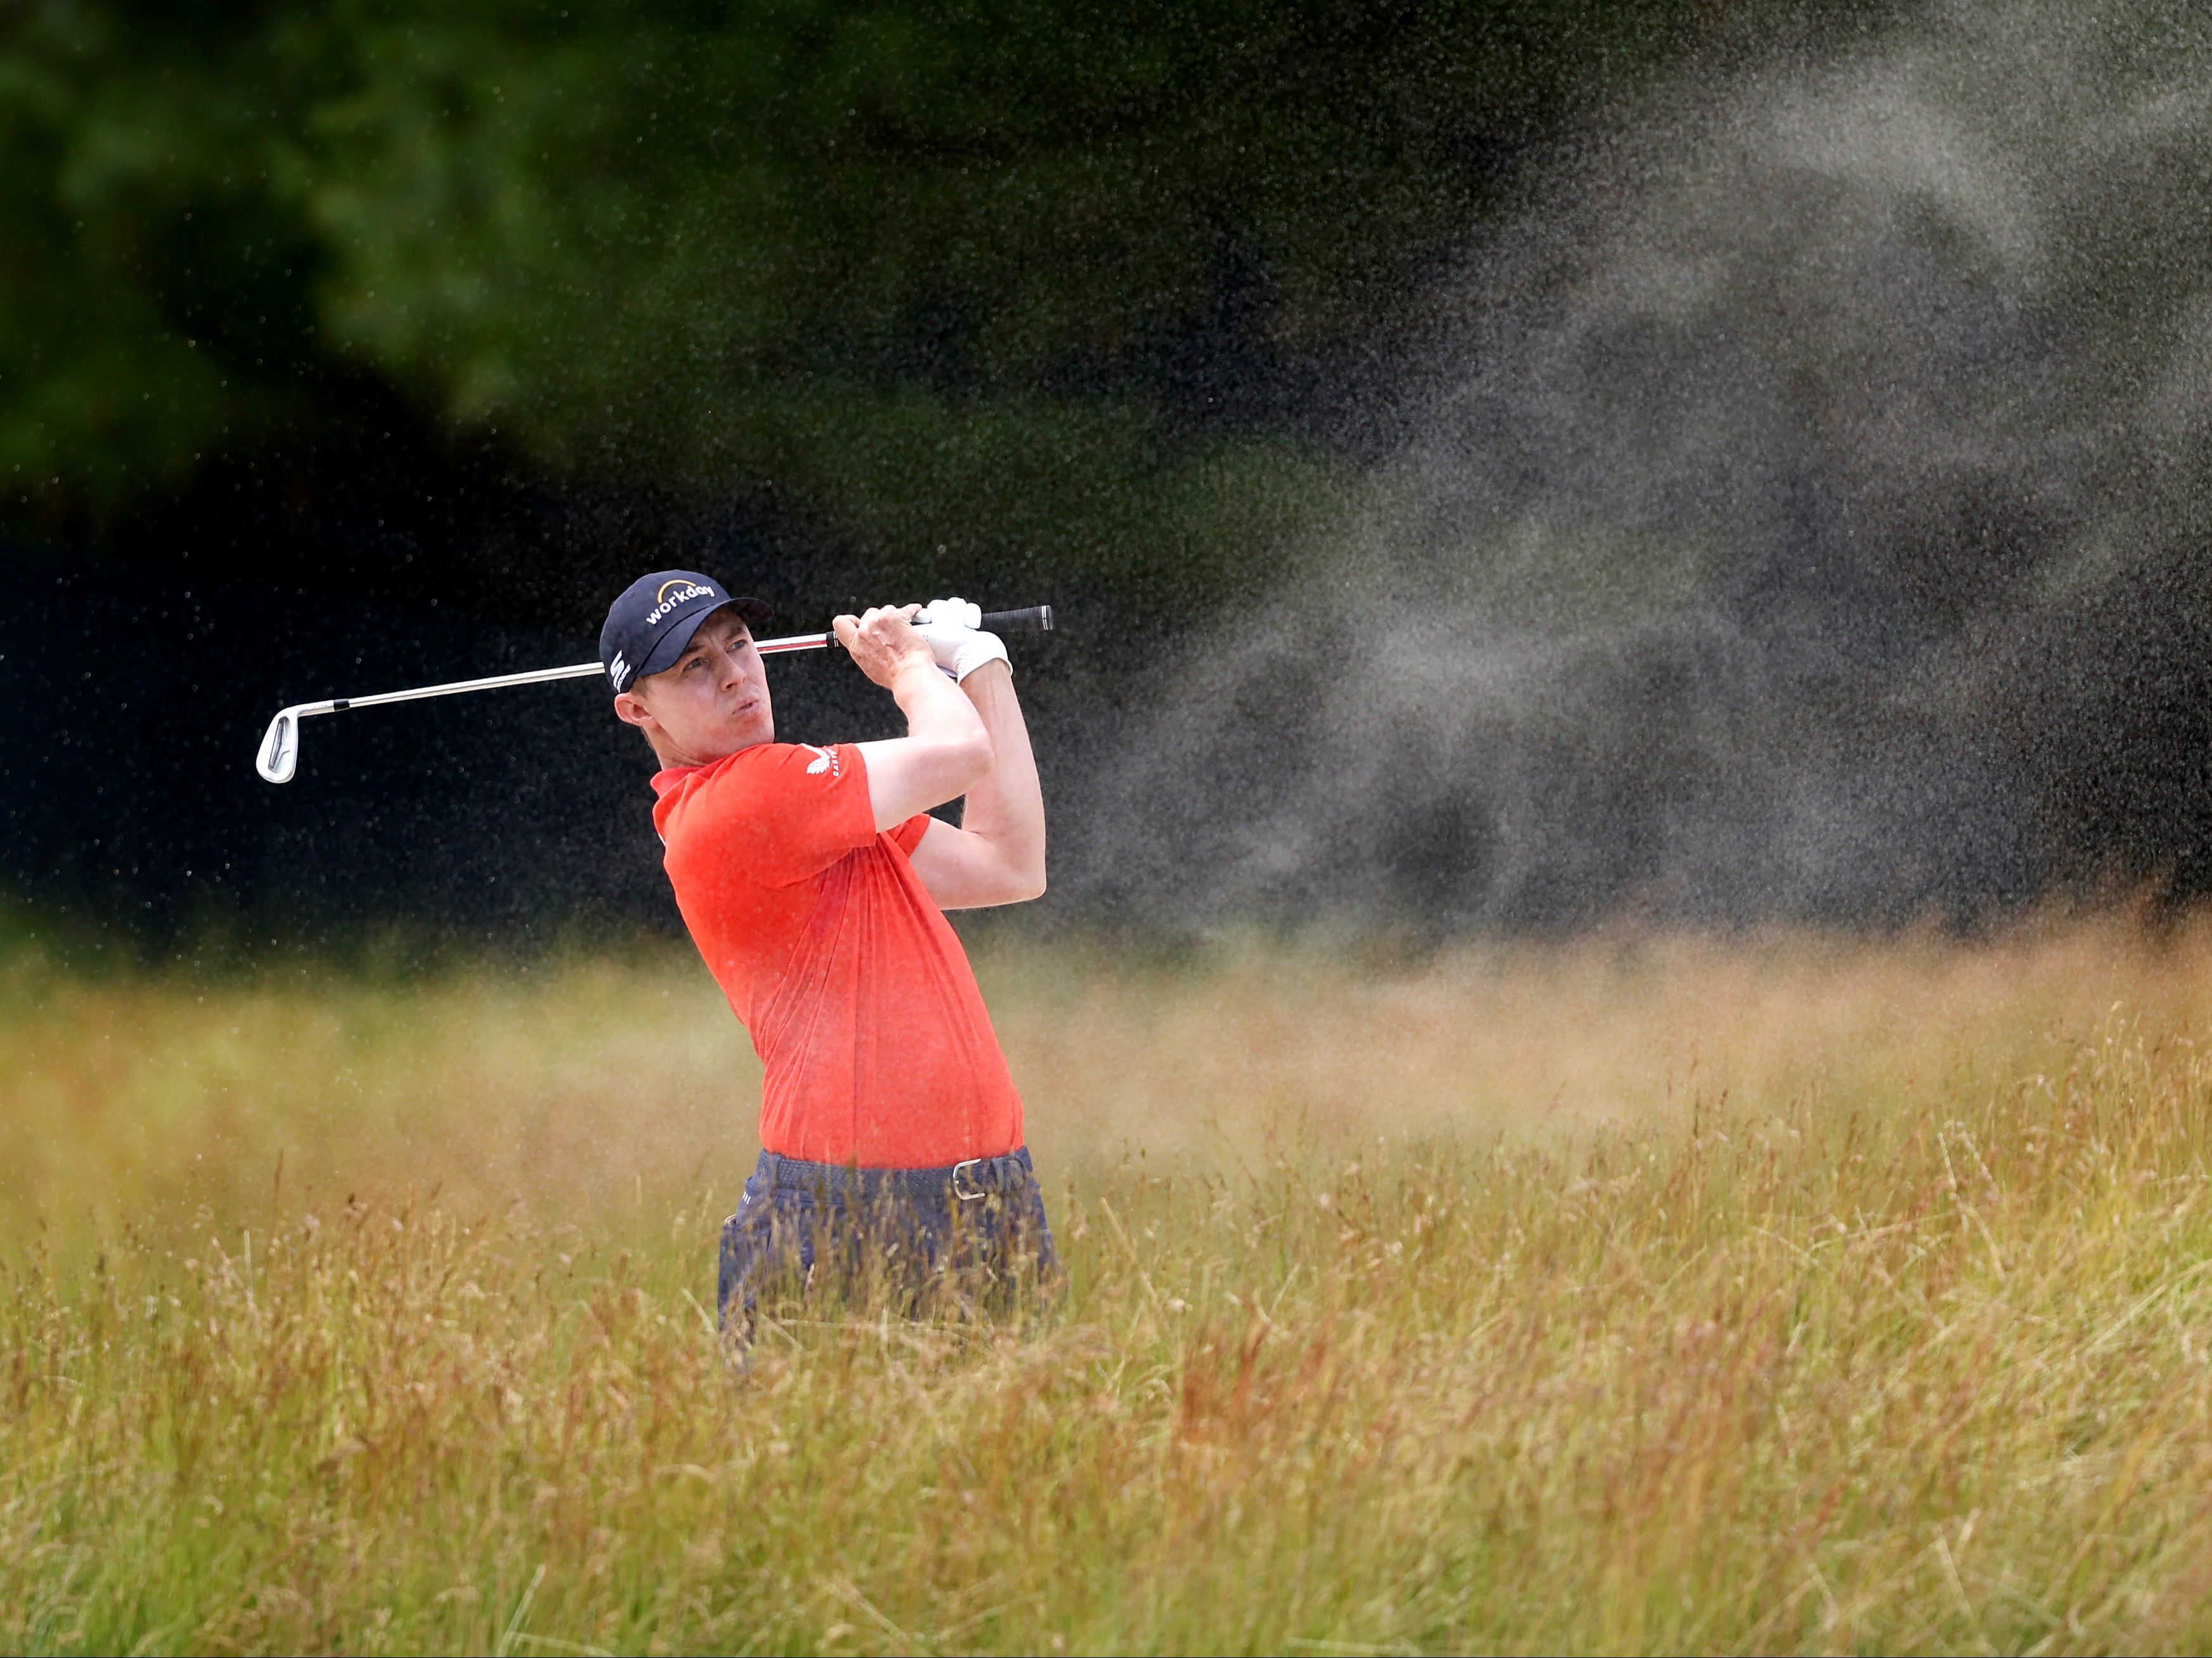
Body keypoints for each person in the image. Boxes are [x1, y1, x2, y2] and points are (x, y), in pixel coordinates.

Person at [597, 570, 1054, 1328]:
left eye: (738, 645)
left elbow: (1008, 864)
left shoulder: (811, 804)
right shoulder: (745, 798)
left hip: (986, 1192)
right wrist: (910, 667)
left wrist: (981, 666)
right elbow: (958, 754)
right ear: (636, 709)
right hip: (851, 1208)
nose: (735, 674)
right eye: (694, 667)